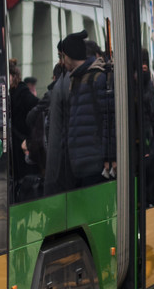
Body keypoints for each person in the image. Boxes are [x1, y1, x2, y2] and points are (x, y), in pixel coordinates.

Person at [43, 31, 116, 195]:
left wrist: (109, 158)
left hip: (94, 165)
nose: (62, 62)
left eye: (63, 56)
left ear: (70, 56)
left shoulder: (96, 78)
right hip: (80, 166)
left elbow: (108, 119)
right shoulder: (76, 80)